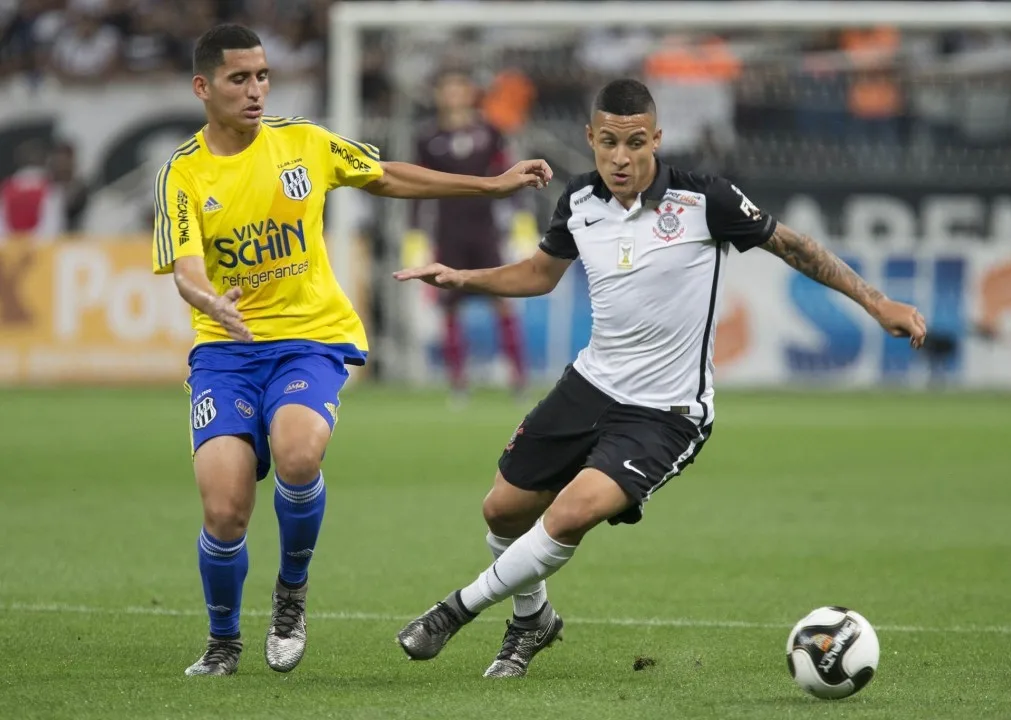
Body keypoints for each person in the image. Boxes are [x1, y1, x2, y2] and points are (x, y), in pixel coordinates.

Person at [392, 78, 926, 678]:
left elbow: (795, 247)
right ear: (591, 139)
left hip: (665, 412)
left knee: (570, 513)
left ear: (657, 139)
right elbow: (541, 274)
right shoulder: (579, 202)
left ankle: (452, 611)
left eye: (636, 143)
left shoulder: (706, 200)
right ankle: (532, 620)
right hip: (590, 385)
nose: (622, 158)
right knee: (502, 511)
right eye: (609, 144)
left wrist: (877, 303)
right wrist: (463, 278)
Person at [151, 24, 551, 678]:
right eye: (238, 78)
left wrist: (488, 185)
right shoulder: (184, 172)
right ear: (203, 87)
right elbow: (186, 265)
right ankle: (223, 642)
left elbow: (386, 175)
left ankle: (291, 593)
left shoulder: (303, 142)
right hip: (226, 350)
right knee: (224, 509)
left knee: (299, 452)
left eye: (261, 75)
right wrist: (206, 300)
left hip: (309, 337)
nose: (255, 90)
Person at [408, 69, 529, 403]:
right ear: (438, 95)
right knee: (449, 308)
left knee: (503, 302)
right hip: (449, 233)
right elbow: (417, 186)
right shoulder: (428, 138)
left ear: (469, 93)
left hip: (486, 229)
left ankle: (519, 379)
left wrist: (521, 224)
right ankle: (458, 383)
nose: (454, 95)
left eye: (459, 88)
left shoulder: (490, 132)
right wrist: (416, 235)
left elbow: (510, 174)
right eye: (447, 89)